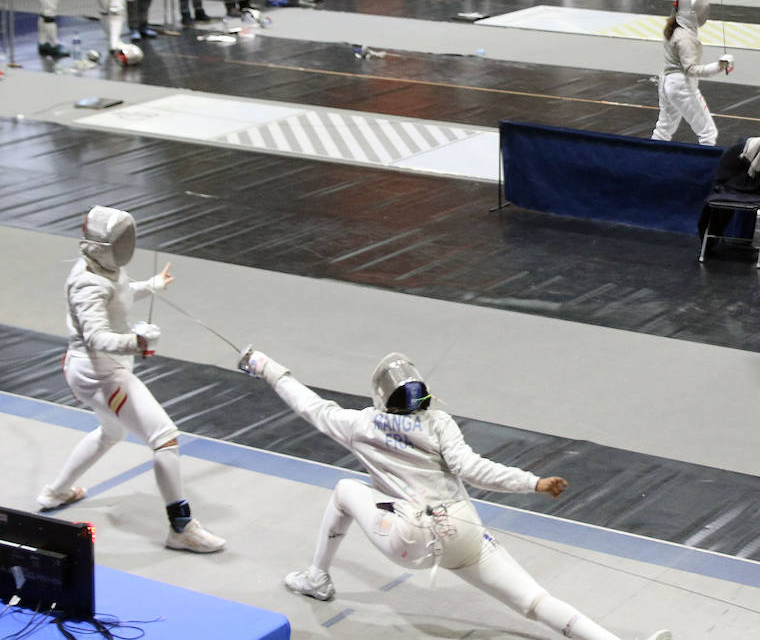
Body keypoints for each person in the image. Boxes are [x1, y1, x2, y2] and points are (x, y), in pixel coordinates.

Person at [233, 348, 670, 640]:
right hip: (463, 530)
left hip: (409, 538)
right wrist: (531, 482)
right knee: (535, 601)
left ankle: (317, 577)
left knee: (347, 488)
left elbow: (308, 403)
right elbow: (473, 470)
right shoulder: (439, 423)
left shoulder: (360, 424)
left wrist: (263, 364)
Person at [36, 206, 226, 553]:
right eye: (120, 241)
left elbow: (119, 295)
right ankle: (181, 528)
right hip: (99, 373)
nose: (127, 247)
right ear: (102, 244)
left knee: (112, 433)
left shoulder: (105, 268)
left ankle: (56, 491)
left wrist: (151, 286)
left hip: (101, 368)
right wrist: (136, 342)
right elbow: (97, 336)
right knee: (165, 438)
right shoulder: (87, 285)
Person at [650, 0, 734, 146]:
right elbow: (691, 70)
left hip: (667, 83)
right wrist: (720, 65)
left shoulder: (675, 29)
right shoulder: (685, 37)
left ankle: (647, 160)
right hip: (682, 85)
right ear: (692, 13)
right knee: (708, 132)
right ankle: (706, 167)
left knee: (663, 130)